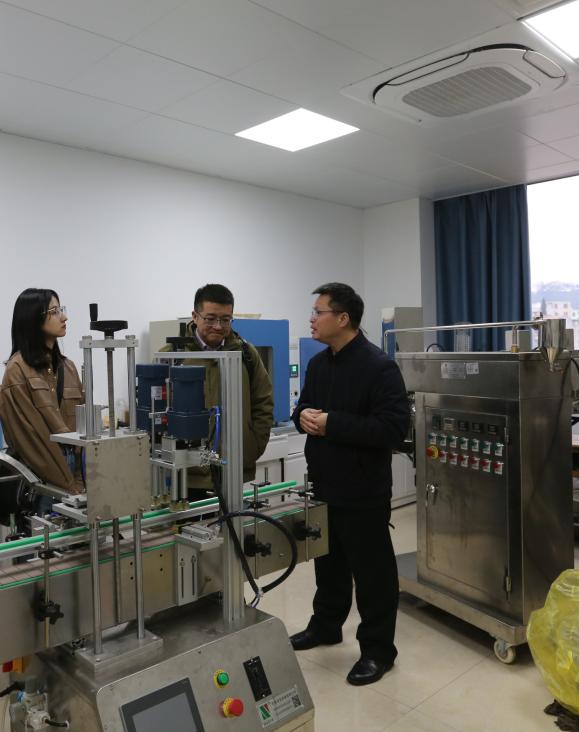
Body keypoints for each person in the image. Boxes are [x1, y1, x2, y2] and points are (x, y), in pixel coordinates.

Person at [288, 282, 410, 686]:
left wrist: (331, 424)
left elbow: (392, 430)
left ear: (343, 318)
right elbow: (303, 407)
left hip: (363, 491)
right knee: (329, 565)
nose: (312, 318)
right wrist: (303, 417)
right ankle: (326, 626)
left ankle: (378, 650)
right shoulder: (319, 364)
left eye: (318, 312)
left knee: (373, 575)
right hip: (324, 484)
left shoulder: (379, 367)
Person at [159, 283, 274, 496]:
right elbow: (157, 408)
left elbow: (263, 402)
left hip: (233, 469)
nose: (218, 326)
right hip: (187, 474)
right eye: (210, 319)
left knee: (233, 518)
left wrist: (252, 448)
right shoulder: (172, 355)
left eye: (225, 319)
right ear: (195, 316)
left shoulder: (246, 354)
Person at [0, 289, 84, 500]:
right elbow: (29, 438)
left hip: (73, 472)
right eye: (54, 311)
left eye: (61, 309)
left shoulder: (68, 367)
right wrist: (66, 484)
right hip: (41, 479)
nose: (64, 317)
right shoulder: (17, 369)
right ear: (33, 319)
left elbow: (82, 428)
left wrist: (79, 481)